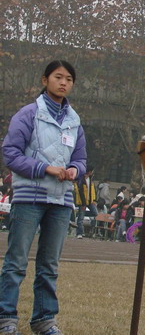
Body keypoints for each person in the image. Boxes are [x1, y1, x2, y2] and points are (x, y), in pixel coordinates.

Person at [0, 59, 87, 335]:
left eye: (69, 79)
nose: (63, 83)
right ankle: (5, 319)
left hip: (61, 201)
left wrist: (75, 170)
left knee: (49, 265)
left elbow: (81, 158)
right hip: (29, 197)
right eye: (58, 77)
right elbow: (10, 153)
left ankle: (44, 320)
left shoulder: (75, 121)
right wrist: (44, 168)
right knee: (16, 262)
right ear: (44, 80)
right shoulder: (27, 115)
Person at [73, 165, 97, 239]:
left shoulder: (91, 179)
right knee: (80, 219)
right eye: (92, 171)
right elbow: (81, 192)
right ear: (89, 171)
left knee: (95, 213)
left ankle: (80, 214)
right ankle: (79, 233)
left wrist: (94, 200)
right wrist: (83, 204)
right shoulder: (81, 179)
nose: (92, 172)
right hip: (82, 201)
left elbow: (93, 190)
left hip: (90, 201)